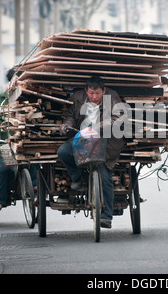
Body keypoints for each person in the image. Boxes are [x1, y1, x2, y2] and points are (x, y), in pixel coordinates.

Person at [57, 76, 126, 229]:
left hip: (106, 141)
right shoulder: (78, 97)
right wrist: (66, 125)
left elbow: (118, 117)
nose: (94, 97)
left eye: (97, 94)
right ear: (86, 91)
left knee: (105, 176)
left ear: (104, 91)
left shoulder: (112, 97)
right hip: (83, 139)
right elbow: (69, 116)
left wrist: (97, 128)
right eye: (91, 93)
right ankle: (77, 178)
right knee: (63, 152)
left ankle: (107, 216)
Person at [0, 66, 37, 212]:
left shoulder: (31, 95)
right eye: (17, 81)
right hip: (6, 141)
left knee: (36, 162)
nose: (20, 84)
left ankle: (35, 190)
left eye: (23, 81)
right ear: (12, 82)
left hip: (26, 140)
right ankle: (1, 198)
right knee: (5, 168)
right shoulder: (3, 98)